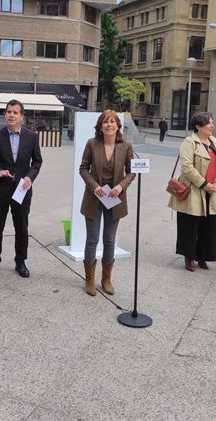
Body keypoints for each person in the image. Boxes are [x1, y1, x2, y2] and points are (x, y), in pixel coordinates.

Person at [0, 100, 43, 281]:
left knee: (22, 228)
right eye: (9, 111)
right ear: (5, 114)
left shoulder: (31, 137)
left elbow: (37, 162)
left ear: (21, 116)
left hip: (22, 190)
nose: (11, 115)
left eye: (15, 112)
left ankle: (21, 262)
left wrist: (30, 177)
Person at [79, 110, 135, 296]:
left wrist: (121, 186)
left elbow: (132, 171)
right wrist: (94, 186)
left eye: (113, 122)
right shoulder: (92, 144)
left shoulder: (126, 146)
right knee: (92, 239)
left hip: (115, 199)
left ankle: (106, 279)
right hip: (94, 197)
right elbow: (83, 168)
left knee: (110, 240)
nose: (109, 125)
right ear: (100, 126)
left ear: (118, 125)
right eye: (105, 122)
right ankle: (89, 280)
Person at [168, 112, 216, 272]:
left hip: (214, 190)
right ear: (198, 126)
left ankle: (203, 256)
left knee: (211, 226)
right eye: (209, 123)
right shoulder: (189, 142)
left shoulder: (215, 142)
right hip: (194, 190)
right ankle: (189, 256)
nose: (212, 126)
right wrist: (204, 184)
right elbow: (187, 167)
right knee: (190, 226)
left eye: (212, 122)